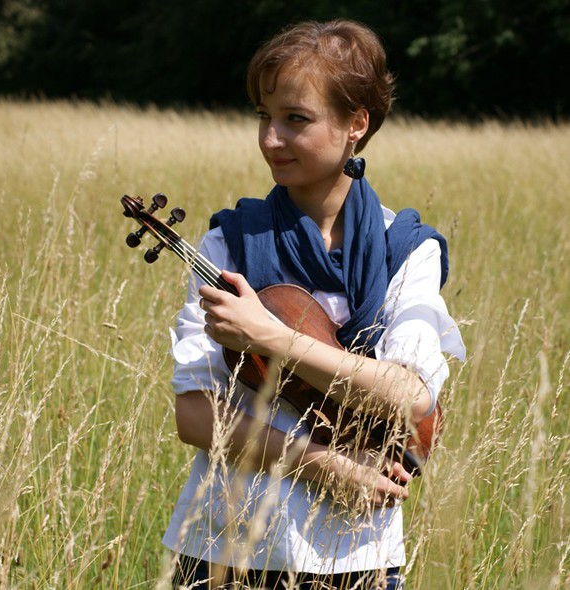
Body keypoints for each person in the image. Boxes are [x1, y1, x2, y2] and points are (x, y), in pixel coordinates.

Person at [162, 19, 465, 590]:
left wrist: (272, 340)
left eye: (295, 120)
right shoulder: (229, 243)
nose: (271, 139)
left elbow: (411, 394)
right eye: (263, 117)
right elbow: (195, 414)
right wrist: (317, 462)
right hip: (223, 543)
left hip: (354, 553)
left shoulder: (407, 250)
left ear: (357, 124)